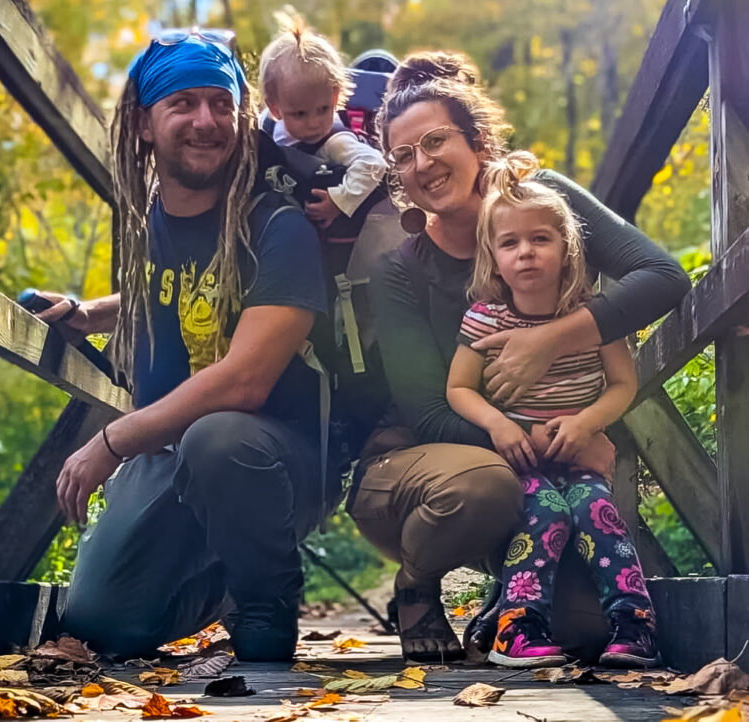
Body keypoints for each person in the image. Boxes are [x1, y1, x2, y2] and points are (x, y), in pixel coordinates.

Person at [347, 50, 690, 663]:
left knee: (582, 631)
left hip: (548, 459)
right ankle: (417, 583)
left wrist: (550, 342)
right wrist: (552, 437)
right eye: (403, 156)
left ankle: (505, 606)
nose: (422, 164)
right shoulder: (401, 272)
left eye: (435, 141)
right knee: (486, 488)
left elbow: (662, 276)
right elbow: (429, 409)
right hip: (437, 471)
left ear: (477, 141)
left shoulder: (543, 204)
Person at [37, 30, 335, 662]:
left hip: (274, 458)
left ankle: (264, 603)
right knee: (103, 620)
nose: (207, 121)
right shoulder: (153, 223)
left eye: (221, 104)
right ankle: (223, 577)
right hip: (171, 457)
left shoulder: (277, 227)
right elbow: (173, 293)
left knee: (219, 436)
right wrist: (91, 312)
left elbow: (245, 381)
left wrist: (111, 441)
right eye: (184, 104)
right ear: (144, 124)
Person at [446, 150, 658, 669]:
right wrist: (498, 424)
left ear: (566, 248)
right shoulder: (483, 321)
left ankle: (634, 624)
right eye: (510, 243)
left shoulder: (591, 315)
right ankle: (517, 626)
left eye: (540, 239)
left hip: (580, 454)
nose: (526, 253)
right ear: (492, 257)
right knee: (547, 512)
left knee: (596, 512)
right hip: (521, 461)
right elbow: (458, 389)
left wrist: (588, 423)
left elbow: (623, 382)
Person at [258, 14, 387, 236]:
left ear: (335, 97)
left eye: (323, 109)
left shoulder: (335, 141)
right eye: (300, 114)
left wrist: (340, 201)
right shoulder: (267, 125)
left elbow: (374, 164)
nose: (314, 123)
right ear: (275, 108)